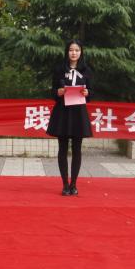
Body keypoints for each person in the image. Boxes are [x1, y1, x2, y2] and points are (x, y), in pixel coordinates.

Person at [46, 40, 92, 196]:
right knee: (63, 148)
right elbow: (52, 91)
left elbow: (91, 92)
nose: (74, 53)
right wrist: (57, 92)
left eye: (77, 50)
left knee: (77, 149)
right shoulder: (59, 69)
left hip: (79, 113)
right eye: (71, 50)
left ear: (81, 52)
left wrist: (87, 93)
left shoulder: (86, 70)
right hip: (63, 112)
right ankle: (65, 184)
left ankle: (74, 184)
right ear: (67, 52)